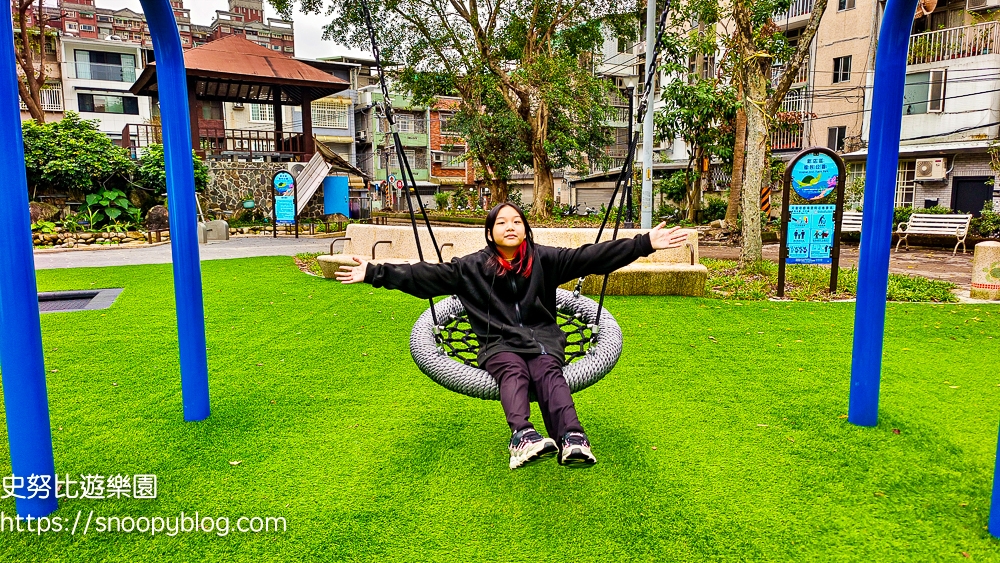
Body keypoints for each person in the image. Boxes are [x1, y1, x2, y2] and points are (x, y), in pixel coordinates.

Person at [337, 203, 692, 469]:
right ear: (490, 232)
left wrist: (645, 242)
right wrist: (374, 272)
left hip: (543, 339)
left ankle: (572, 438)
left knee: (546, 370)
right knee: (513, 369)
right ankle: (522, 436)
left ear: (525, 230)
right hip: (498, 343)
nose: (510, 226)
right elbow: (423, 276)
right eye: (502, 222)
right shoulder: (470, 267)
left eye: (517, 221)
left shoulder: (545, 260)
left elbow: (592, 257)